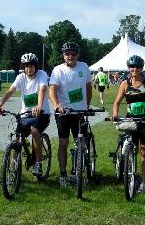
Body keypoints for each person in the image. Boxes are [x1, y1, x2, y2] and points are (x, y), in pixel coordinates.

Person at [0, 53, 51, 175]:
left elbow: (42, 89)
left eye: (31, 66)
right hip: (26, 115)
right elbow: (10, 91)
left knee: (35, 130)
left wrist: (39, 106)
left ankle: (38, 164)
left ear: (35, 66)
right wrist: (0, 104)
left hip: (42, 113)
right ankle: (14, 167)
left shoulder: (42, 74)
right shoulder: (21, 77)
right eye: (26, 66)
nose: (28, 69)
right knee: (18, 137)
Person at [111, 55, 145, 193]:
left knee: (144, 152)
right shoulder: (125, 83)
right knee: (130, 148)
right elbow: (117, 102)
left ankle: (144, 182)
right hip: (130, 121)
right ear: (128, 68)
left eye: (138, 67)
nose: (135, 69)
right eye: (132, 66)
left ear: (142, 68)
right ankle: (129, 172)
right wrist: (115, 113)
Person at [49, 42, 92, 187]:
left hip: (79, 112)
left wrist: (86, 106)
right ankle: (63, 174)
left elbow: (88, 88)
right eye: (67, 54)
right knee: (63, 143)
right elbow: (52, 89)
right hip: (63, 112)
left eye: (73, 54)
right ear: (63, 55)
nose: (70, 56)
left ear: (77, 55)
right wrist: (56, 105)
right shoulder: (58, 70)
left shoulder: (84, 67)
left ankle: (77, 171)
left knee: (81, 143)